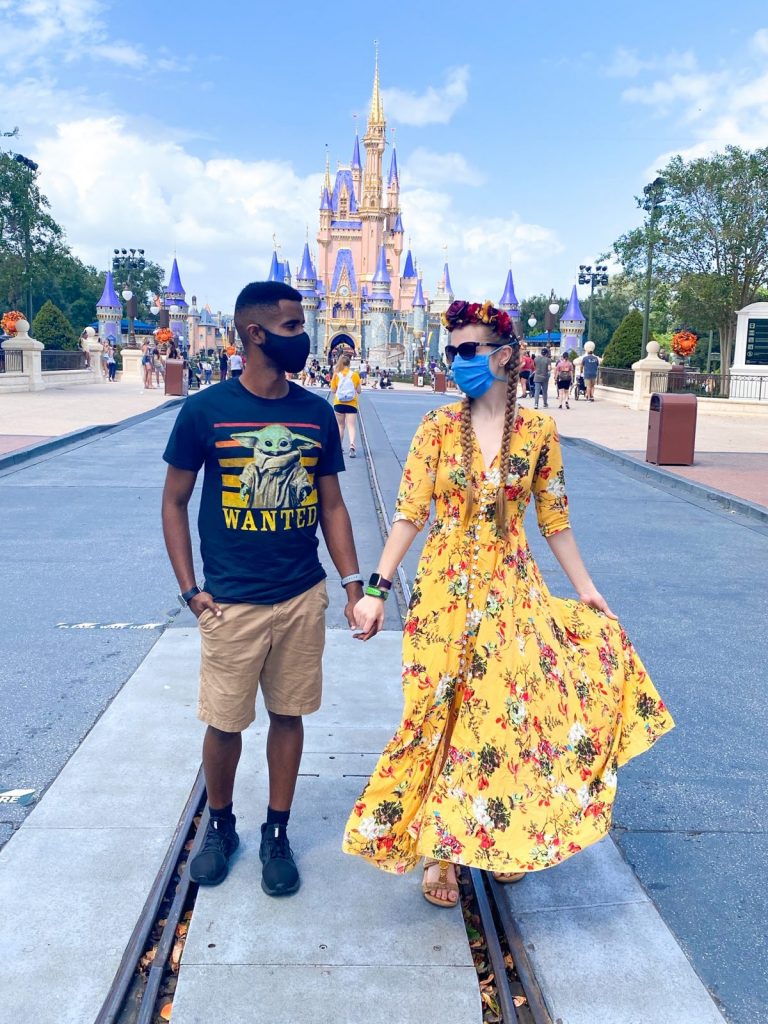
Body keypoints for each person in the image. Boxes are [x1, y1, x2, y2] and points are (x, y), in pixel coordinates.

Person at [344, 298, 674, 907]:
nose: (458, 361)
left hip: (510, 590)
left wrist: (587, 590)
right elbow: (410, 513)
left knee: (507, 714)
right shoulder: (438, 428)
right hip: (443, 590)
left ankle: (503, 835)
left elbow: (554, 519)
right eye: (453, 352)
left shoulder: (540, 431)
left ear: (504, 355)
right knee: (438, 711)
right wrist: (376, 590)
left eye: (469, 350)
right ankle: (442, 849)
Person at [162, 281, 364, 897]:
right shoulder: (204, 411)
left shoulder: (315, 412)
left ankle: (277, 830)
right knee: (224, 723)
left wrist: (354, 585)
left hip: (301, 595)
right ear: (256, 334)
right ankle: (220, 826)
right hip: (230, 601)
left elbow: (332, 504)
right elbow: (174, 501)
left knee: (288, 714)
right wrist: (192, 591)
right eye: (293, 325)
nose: (304, 336)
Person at [330, 352, 362, 457]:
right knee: (351, 426)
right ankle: (352, 445)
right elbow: (359, 391)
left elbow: (333, 390)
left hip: (339, 403)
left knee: (340, 426)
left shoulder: (336, 375)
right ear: (349, 364)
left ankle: (339, 447)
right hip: (351, 404)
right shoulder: (355, 375)